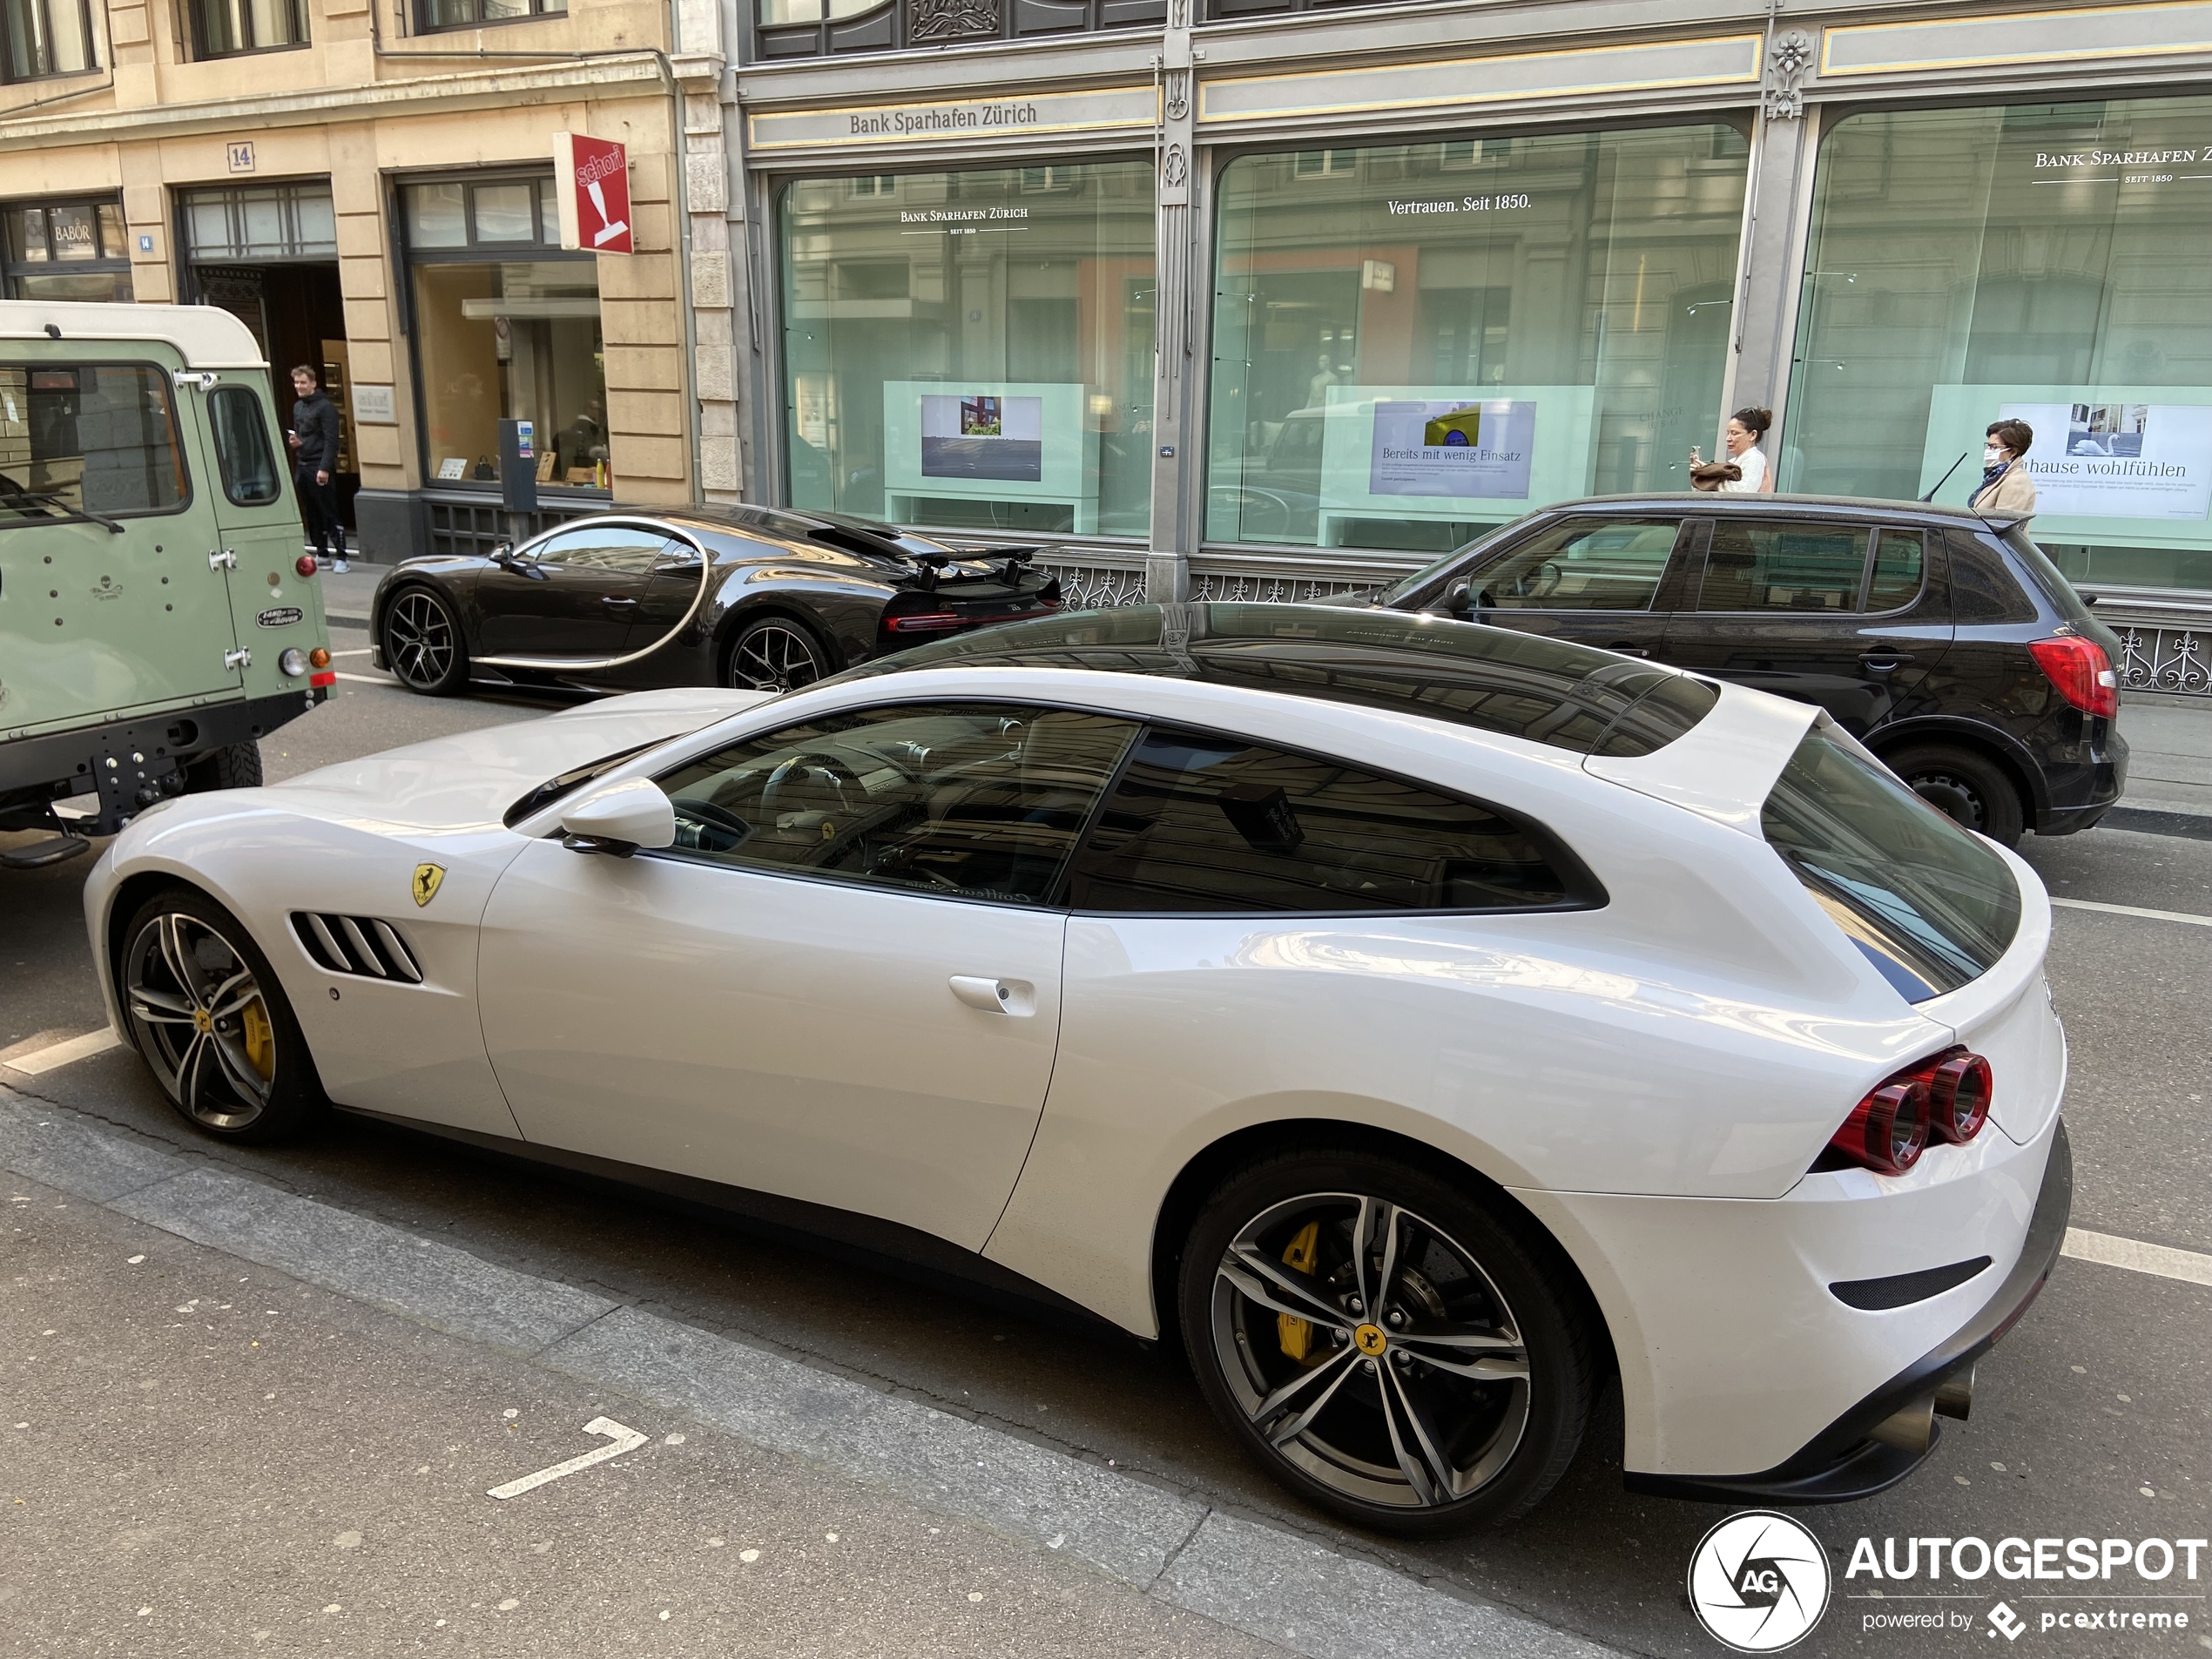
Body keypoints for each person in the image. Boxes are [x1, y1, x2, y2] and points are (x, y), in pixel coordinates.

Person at [286, 365, 346, 573]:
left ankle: (342, 556)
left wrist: (325, 468)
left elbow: (331, 441)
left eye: (303, 382)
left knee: (329, 511)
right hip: (303, 464)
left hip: (319, 465)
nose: (299, 386)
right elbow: (303, 434)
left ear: (313, 383)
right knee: (311, 512)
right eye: (296, 382)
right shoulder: (298, 407)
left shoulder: (326, 408)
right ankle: (322, 553)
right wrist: (296, 441)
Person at [1695, 407, 1775, 494]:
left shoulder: (1754, 458)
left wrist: (1710, 481)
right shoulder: (1733, 461)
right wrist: (1701, 473)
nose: (1728, 439)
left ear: (1752, 435)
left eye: (1735, 433)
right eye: (1728, 433)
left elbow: (1743, 491)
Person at [1972, 418, 2038, 515]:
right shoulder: (1996, 476)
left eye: (1994, 447)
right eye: (1988, 446)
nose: (1988, 450)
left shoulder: (2016, 481)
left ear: (2012, 452)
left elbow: (2002, 523)